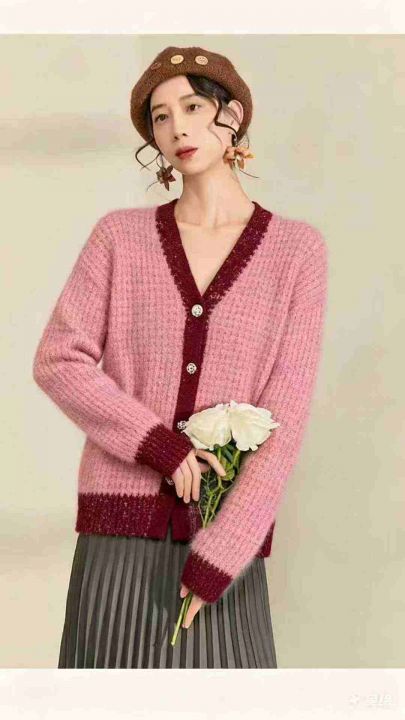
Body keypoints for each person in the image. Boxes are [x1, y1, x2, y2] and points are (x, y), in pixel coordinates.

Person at [33, 45, 328, 668]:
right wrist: (157, 445)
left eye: (193, 107)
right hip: (119, 541)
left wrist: (224, 553)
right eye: (160, 117)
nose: (177, 128)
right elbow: (59, 358)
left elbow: (286, 414)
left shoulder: (296, 252)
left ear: (233, 115)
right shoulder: (119, 238)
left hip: (224, 540)